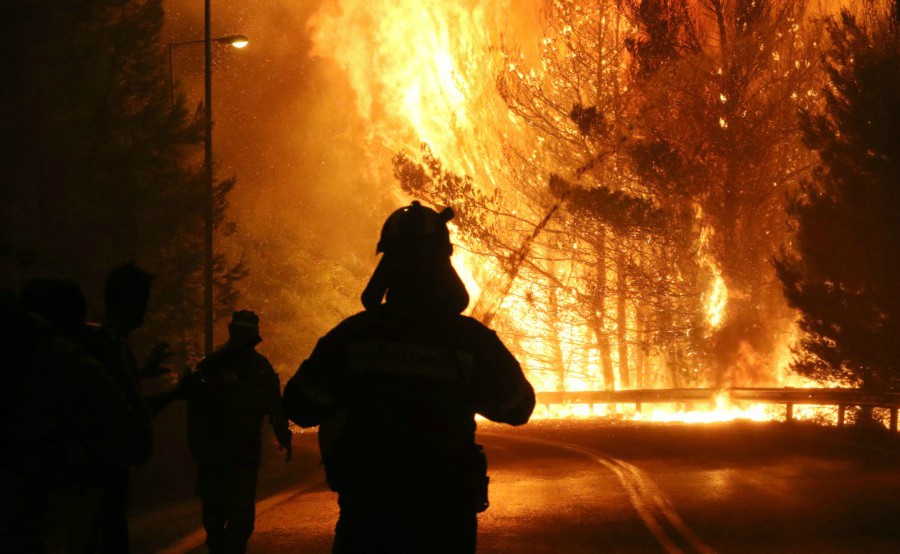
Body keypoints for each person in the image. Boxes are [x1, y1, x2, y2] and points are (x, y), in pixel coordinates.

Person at [282, 201, 536, 554]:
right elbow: (517, 406)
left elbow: (300, 405)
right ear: (444, 262)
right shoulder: (469, 340)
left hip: (370, 513)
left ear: (388, 265)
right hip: (445, 515)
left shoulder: (353, 336)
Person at [2, 280, 152, 552]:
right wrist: (117, 365)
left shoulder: (21, 357)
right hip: (60, 511)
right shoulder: (66, 361)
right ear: (73, 320)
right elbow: (138, 442)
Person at [182, 310, 292, 554]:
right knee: (228, 512)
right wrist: (283, 432)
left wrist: (282, 429)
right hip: (228, 448)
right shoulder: (227, 366)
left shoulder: (215, 365)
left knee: (226, 511)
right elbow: (275, 405)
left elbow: (274, 405)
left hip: (228, 448)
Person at [80, 263, 157, 553]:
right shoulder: (110, 344)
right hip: (104, 469)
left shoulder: (98, 338)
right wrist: (175, 393)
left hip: (89, 470)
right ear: (134, 303)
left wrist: (141, 373)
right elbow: (126, 411)